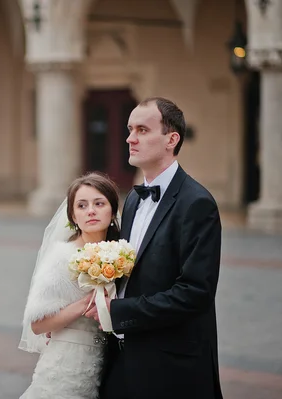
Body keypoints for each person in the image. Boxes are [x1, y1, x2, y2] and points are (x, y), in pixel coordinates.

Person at [85, 97, 223, 399]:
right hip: (124, 360)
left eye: (142, 130)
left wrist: (119, 311)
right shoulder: (133, 199)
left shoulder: (197, 204)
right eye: (130, 129)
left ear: (171, 139)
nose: (130, 138)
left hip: (170, 366)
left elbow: (195, 293)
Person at [19, 172, 121, 399]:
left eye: (99, 203)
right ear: (73, 216)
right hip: (67, 367)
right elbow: (37, 324)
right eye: (82, 206)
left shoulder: (122, 254)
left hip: (105, 365)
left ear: (112, 211)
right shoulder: (62, 257)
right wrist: (85, 304)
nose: (91, 211)